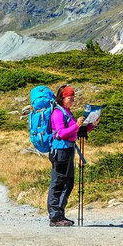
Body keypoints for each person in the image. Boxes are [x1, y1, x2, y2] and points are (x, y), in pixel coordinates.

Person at [47, 85, 87, 227]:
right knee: (58, 183)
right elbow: (62, 133)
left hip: (68, 151)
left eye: (73, 97)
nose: (73, 100)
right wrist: (76, 125)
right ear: (62, 98)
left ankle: (60, 214)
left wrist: (91, 125)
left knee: (68, 184)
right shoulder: (58, 113)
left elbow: (74, 131)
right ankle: (55, 217)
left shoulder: (67, 112)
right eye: (70, 98)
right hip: (60, 152)